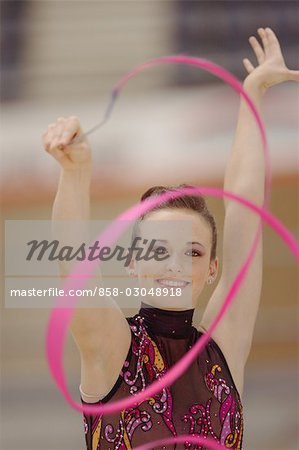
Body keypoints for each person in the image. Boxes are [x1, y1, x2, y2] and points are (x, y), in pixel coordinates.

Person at [42, 28, 298, 449]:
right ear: (133, 260)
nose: (175, 264)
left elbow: (245, 208)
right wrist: (75, 175)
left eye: (193, 251)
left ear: (213, 268)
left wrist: (253, 93)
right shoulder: (111, 347)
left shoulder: (223, 348)